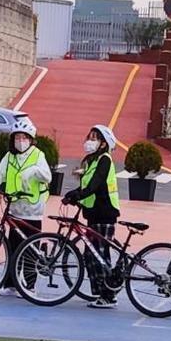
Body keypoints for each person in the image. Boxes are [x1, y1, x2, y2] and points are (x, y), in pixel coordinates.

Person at [0, 116, 50, 293]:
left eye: (24, 137)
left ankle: (30, 285)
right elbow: (1, 175)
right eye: (17, 137)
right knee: (12, 246)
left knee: (30, 249)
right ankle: (11, 284)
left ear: (31, 139)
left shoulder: (38, 155)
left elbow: (47, 176)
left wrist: (33, 171)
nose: (21, 141)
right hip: (14, 207)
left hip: (32, 208)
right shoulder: (9, 156)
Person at [63, 124, 121, 309]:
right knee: (91, 254)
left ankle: (108, 294)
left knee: (99, 254)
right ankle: (100, 293)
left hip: (105, 213)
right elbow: (87, 186)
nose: (90, 141)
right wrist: (74, 195)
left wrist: (78, 195)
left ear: (104, 144)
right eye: (90, 137)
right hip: (94, 213)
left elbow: (95, 185)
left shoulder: (104, 160)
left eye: (95, 138)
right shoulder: (92, 161)